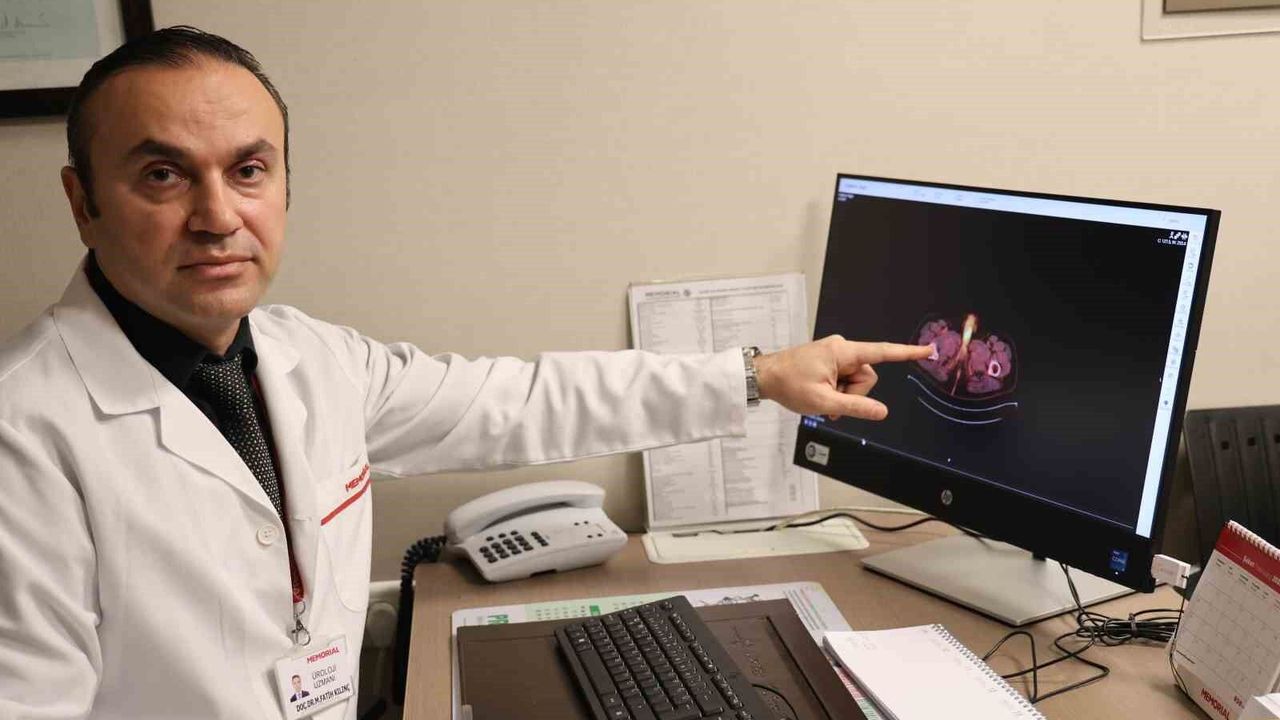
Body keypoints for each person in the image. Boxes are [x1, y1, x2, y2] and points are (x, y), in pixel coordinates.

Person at [0, 26, 931, 720]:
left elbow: (518, 401)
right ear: (83, 201)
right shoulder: (24, 436)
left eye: (248, 170)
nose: (217, 216)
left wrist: (760, 374)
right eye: (163, 177)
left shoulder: (308, 359)